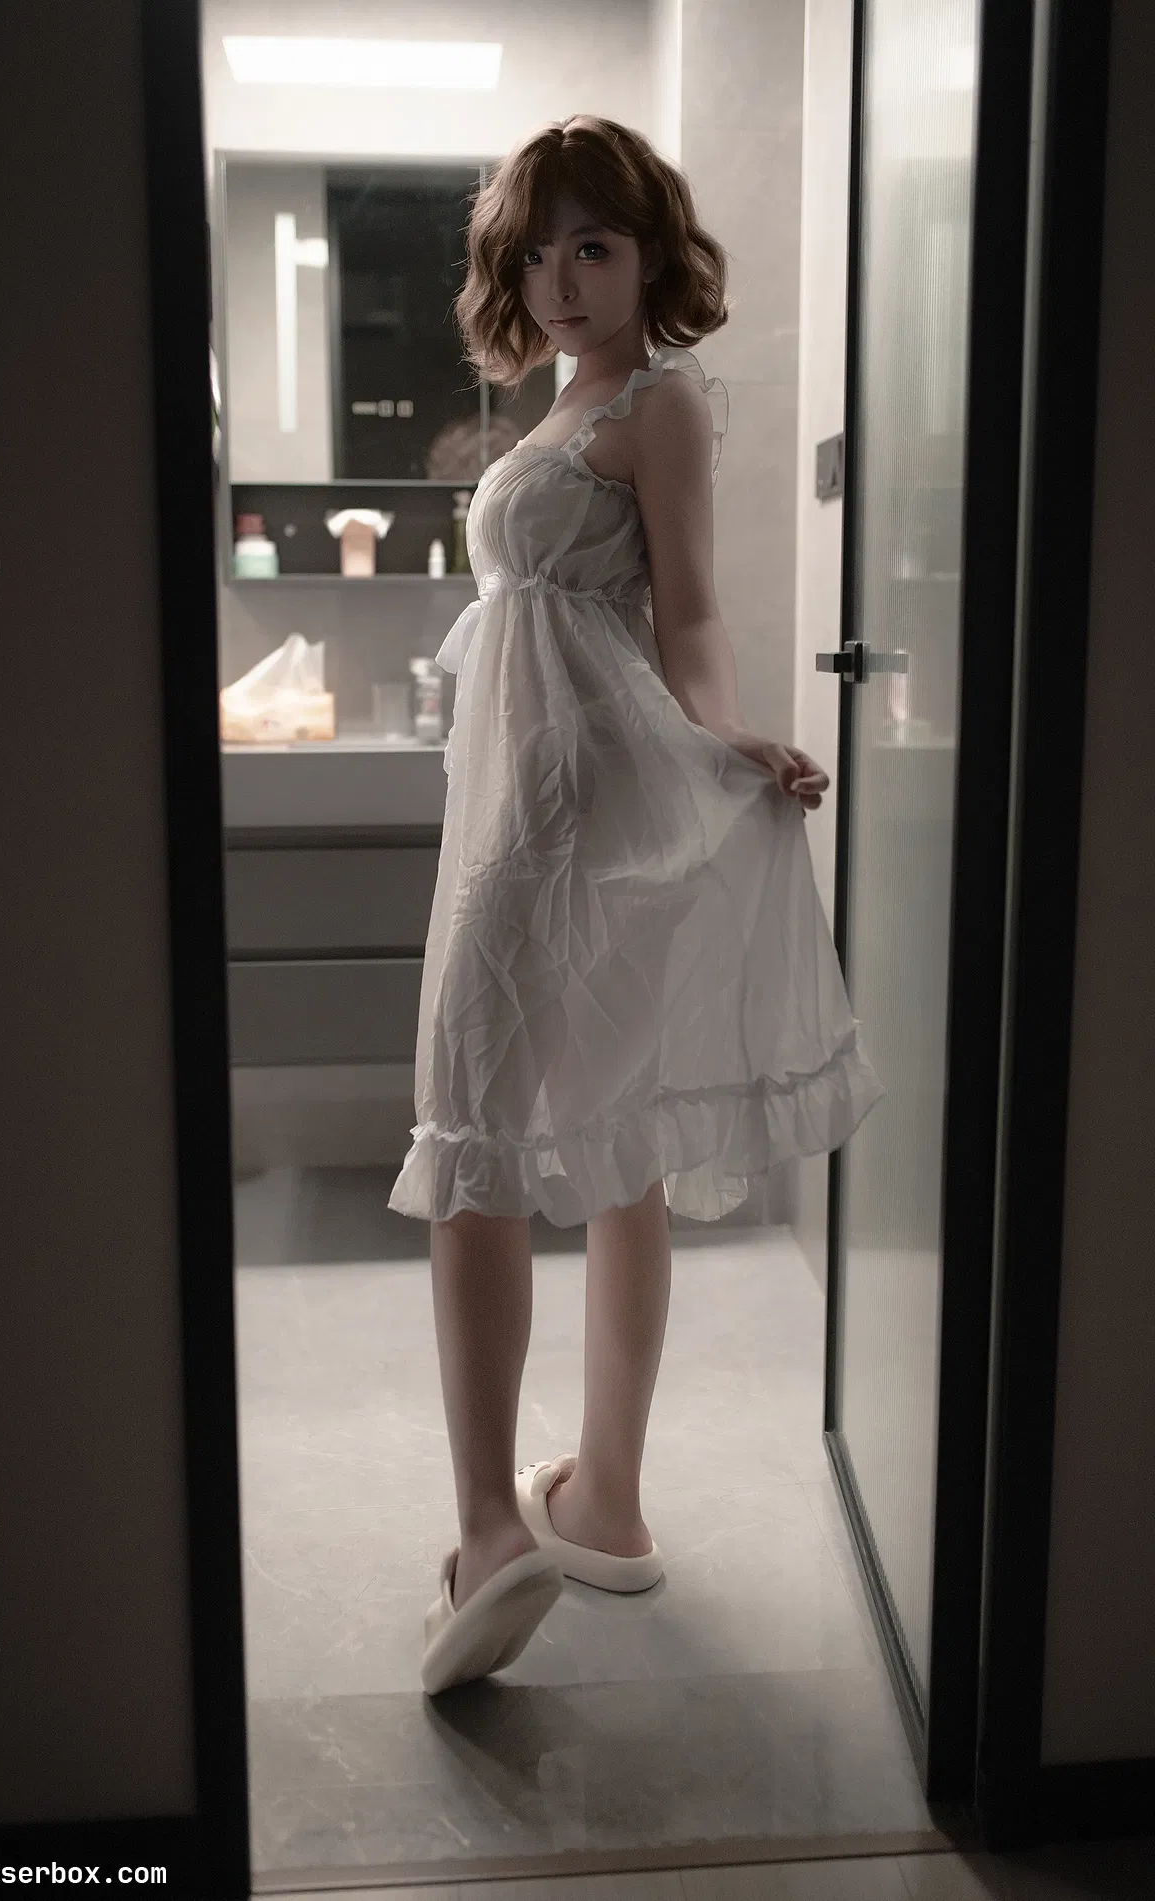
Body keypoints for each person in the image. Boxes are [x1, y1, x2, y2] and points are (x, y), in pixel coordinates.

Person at [386, 116, 887, 1696]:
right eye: (537, 252)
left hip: (578, 813)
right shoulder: (560, 404)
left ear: (651, 255)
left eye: (593, 246)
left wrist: (722, 736)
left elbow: (694, 611)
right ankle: (585, 1501)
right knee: (593, 1142)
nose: (562, 277)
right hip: (528, 802)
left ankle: (509, 1526)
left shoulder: (656, 401)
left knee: (484, 1134)